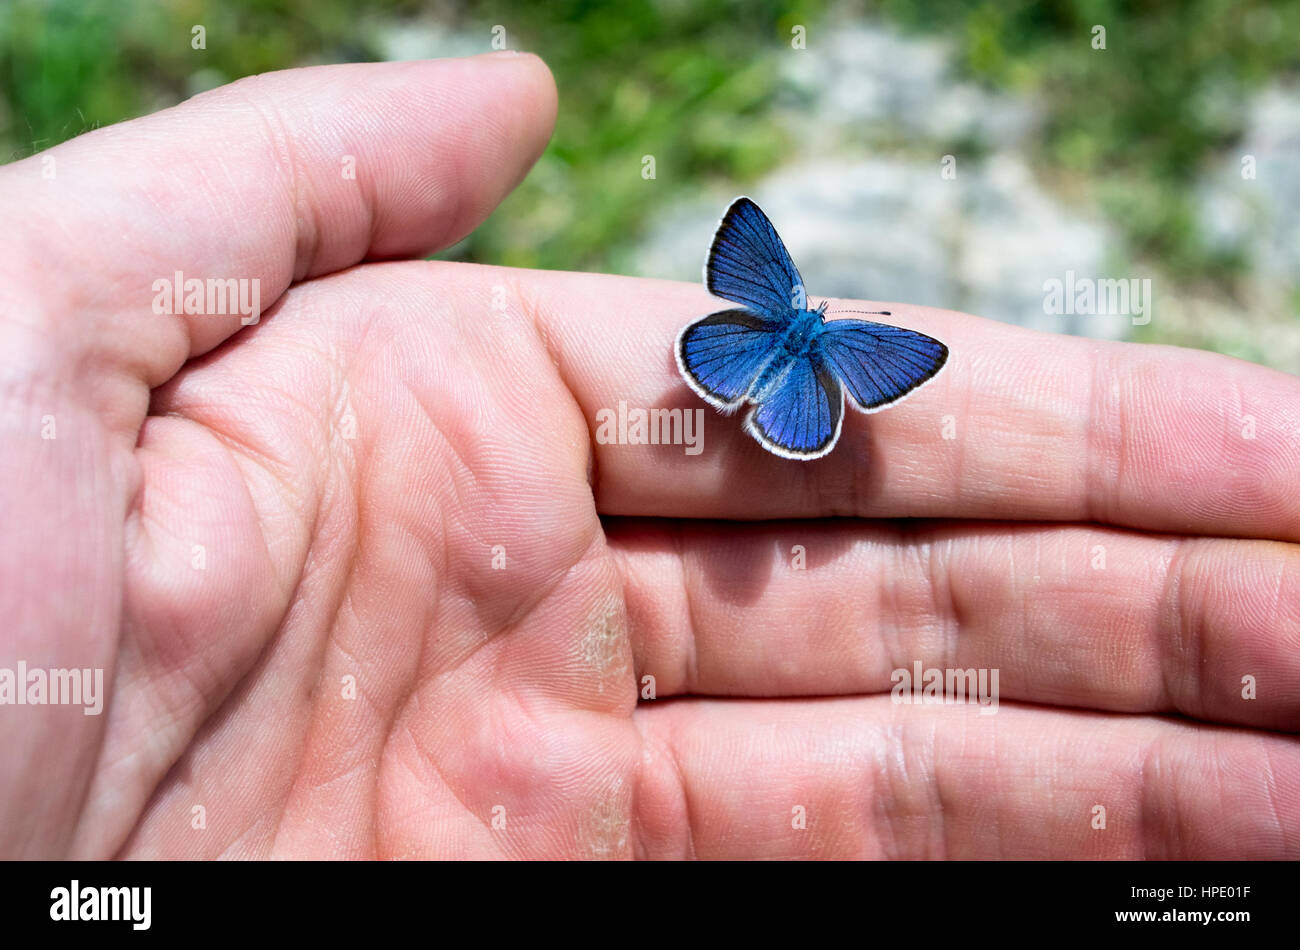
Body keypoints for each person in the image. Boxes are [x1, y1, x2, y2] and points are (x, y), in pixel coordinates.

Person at [0, 52, 1295, 859]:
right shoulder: (851, 343)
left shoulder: (773, 297)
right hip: (782, 390)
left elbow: (758, 263)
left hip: (734, 359)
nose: (816, 310)